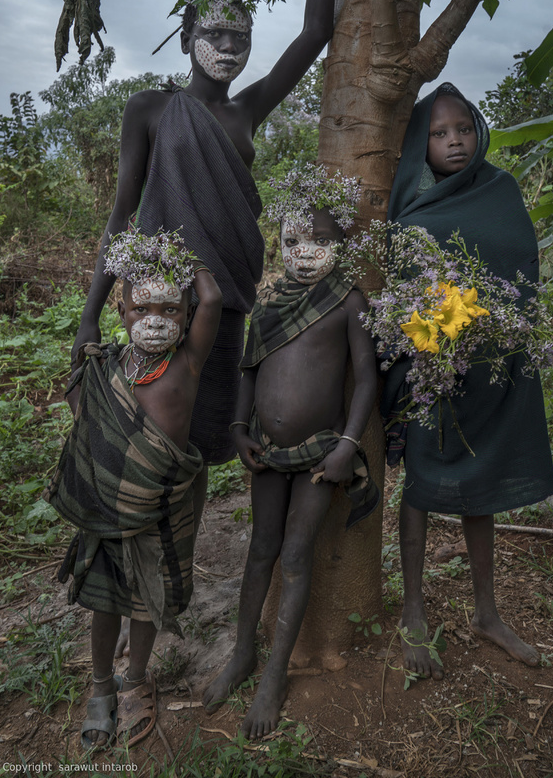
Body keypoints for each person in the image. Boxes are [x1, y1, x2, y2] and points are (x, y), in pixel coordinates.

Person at [71, 0, 334, 530]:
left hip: (228, 306)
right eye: (215, 34)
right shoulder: (151, 111)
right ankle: (140, 564)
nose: (228, 47)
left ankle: (177, 561)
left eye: (240, 38)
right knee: (149, 436)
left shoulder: (246, 113)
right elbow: (121, 218)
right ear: (189, 35)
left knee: (201, 440)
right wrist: (87, 319)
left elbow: (316, 29)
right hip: (163, 300)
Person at [382, 82, 553, 680]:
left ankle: (487, 612)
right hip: (430, 368)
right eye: (439, 133)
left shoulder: (500, 188)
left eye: (463, 129)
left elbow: (522, 263)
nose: (455, 141)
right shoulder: (408, 202)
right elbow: (395, 283)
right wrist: (426, 344)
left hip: (494, 364)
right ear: (420, 143)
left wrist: (504, 335)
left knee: (480, 480)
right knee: (422, 484)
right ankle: (413, 612)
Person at [202, 175, 378, 739]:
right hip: (265, 449)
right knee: (261, 551)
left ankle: (276, 674)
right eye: (296, 238)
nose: (306, 250)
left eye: (321, 240)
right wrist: (237, 428)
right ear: (281, 240)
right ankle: (242, 655)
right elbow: (249, 371)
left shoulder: (349, 301)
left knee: (296, 555)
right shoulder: (270, 304)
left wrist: (348, 446)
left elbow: (367, 380)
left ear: (339, 247)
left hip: (322, 454)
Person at [44, 231, 222, 749]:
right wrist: (112, 275)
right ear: (121, 310)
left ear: (187, 318)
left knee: (149, 600)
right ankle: (101, 685)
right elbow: (91, 432)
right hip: (106, 513)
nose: (156, 317)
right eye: (142, 306)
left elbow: (210, 296)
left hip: (164, 511)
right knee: (107, 602)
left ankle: (137, 677)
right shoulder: (102, 366)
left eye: (171, 308)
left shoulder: (187, 364)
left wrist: (175, 253)